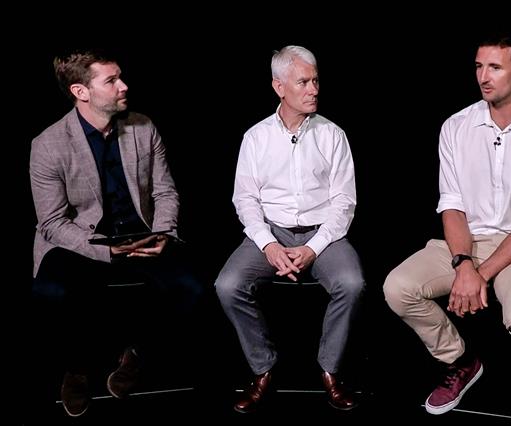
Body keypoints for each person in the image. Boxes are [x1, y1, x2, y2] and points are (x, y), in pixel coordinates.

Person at [383, 35, 511, 420]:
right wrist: (464, 263)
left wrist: (480, 274)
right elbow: (451, 205)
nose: (483, 77)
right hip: (465, 240)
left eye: (495, 67)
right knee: (397, 288)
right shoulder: (456, 126)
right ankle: (461, 361)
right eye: (478, 66)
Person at [29, 49, 205, 417]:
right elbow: (52, 222)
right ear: (81, 91)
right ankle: (76, 369)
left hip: (140, 234)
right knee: (50, 291)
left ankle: (138, 355)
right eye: (111, 80)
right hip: (82, 240)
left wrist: (163, 233)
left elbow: (165, 191)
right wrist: (104, 253)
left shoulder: (143, 126)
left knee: (193, 287)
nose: (124, 86)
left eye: (120, 76)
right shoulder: (47, 145)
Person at [215, 45, 365, 414]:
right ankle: (263, 369)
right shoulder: (255, 137)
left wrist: (313, 247)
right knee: (227, 285)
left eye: (316, 80)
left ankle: (329, 370)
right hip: (271, 233)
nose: (314, 88)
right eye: (304, 81)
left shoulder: (333, 135)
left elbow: (344, 202)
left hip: (323, 234)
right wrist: (268, 245)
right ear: (279, 87)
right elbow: (245, 200)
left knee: (352, 283)